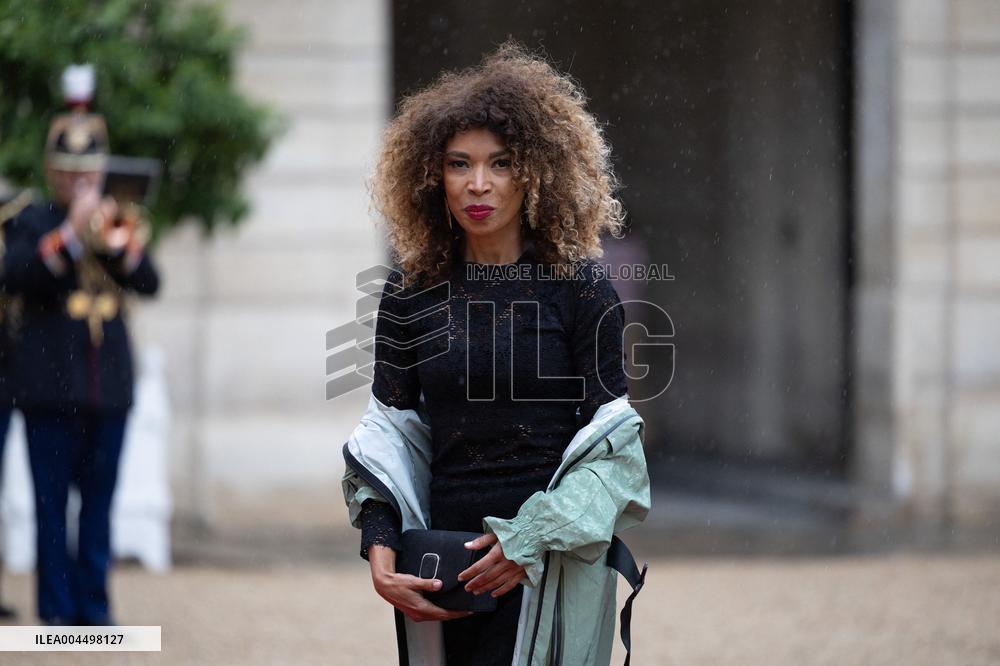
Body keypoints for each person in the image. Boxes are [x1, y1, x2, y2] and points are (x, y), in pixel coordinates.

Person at [342, 42, 650, 665]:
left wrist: (528, 539)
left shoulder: (579, 287)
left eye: (500, 163)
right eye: (459, 164)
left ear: (534, 172)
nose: (478, 184)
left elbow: (616, 456)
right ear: (434, 176)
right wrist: (380, 551)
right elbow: (388, 437)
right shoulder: (409, 290)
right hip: (439, 568)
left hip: (549, 568)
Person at [2, 76, 160, 625]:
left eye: (88, 172)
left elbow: (150, 282)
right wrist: (70, 234)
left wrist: (117, 244)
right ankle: (55, 615)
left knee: (98, 512)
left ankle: (95, 615)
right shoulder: (32, 219)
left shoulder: (117, 219)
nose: (80, 183)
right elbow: (18, 275)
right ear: (53, 173)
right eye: (69, 174)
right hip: (48, 389)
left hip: (107, 388)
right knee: (50, 514)